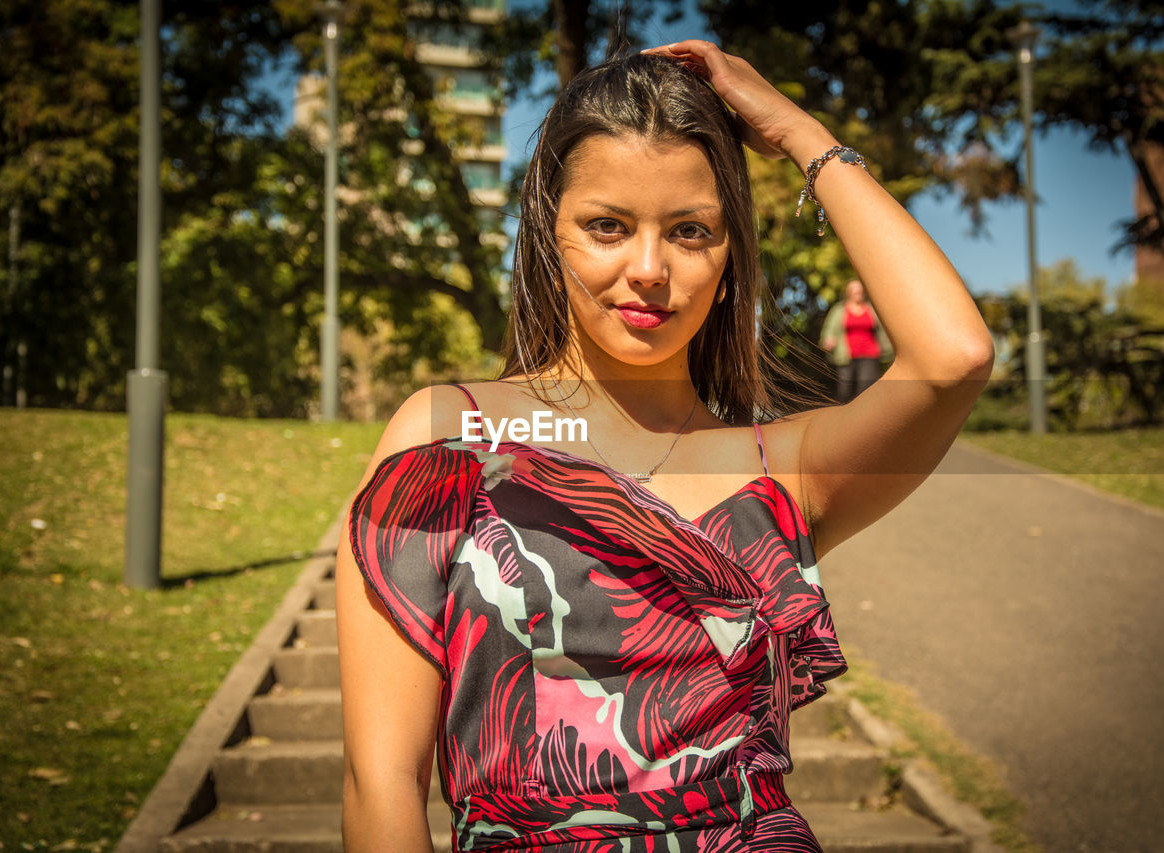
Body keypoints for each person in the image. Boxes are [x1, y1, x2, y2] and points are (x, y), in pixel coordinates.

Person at [336, 42, 993, 852]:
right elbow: (381, 785)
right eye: (607, 226)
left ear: (728, 255)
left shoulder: (780, 466)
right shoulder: (448, 434)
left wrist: (796, 132)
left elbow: (953, 357)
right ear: (549, 230)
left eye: (690, 231)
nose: (649, 269)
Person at [821, 279, 893, 403]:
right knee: (844, 391)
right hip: (846, 355)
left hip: (870, 353)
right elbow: (829, 329)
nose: (858, 293)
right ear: (848, 293)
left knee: (866, 390)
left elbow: (884, 330)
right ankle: (843, 419)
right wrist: (828, 339)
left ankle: (866, 420)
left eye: (860, 290)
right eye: (854, 290)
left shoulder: (871, 309)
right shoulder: (839, 310)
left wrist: (889, 349)